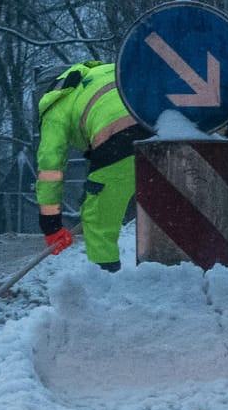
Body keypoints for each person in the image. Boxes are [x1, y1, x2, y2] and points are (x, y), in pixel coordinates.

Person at [33, 61, 151, 271]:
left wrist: (51, 223)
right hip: (169, 126)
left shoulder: (56, 105)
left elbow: (50, 167)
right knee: (168, 208)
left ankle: (105, 283)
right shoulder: (106, 71)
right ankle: (185, 274)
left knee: (98, 219)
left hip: (120, 141)